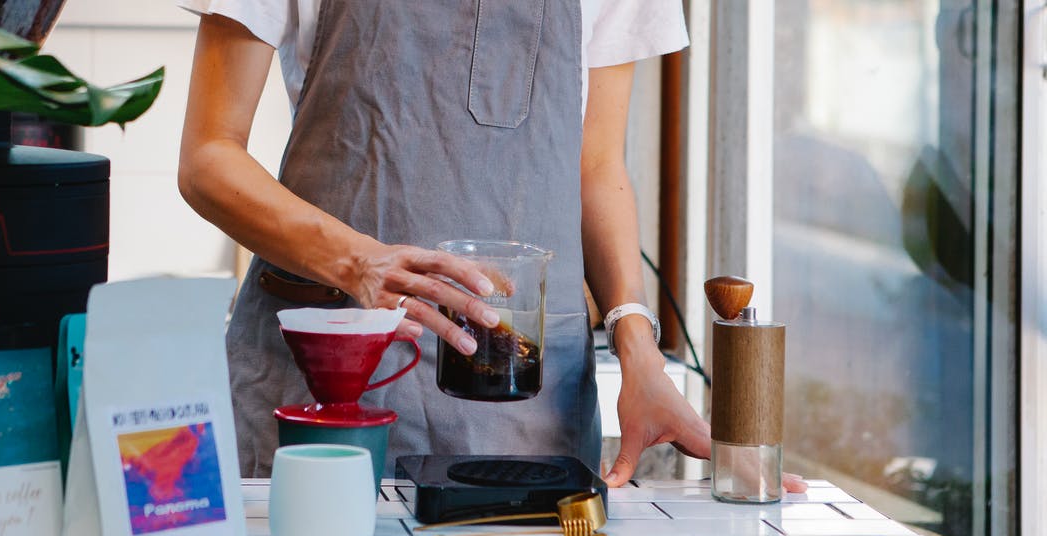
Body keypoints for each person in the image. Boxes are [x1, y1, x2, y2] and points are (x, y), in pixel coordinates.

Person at [178, 0, 806, 493]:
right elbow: (208, 158)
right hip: (329, 373)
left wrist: (637, 343)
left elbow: (595, 165)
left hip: (524, 408)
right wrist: (359, 261)